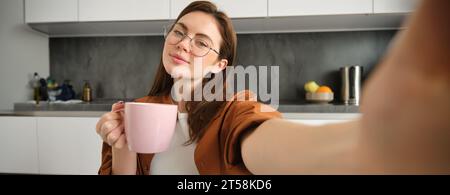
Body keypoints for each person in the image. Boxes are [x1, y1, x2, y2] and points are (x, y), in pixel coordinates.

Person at [96, 0, 450, 175]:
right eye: (179, 31)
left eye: (202, 42)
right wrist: (121, 144)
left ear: (220, 65)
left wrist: (369, 147)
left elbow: (266, 137)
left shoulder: (234, 108)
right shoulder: (140, 108)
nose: (184, 43)